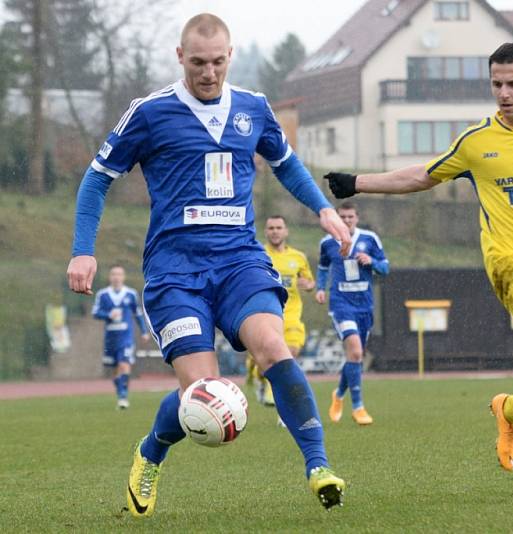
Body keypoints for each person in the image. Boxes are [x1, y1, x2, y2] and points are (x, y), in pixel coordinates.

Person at [66, 14, 350, 517]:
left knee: (272, 344)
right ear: (180, 57)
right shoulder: (150, 113)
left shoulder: (254, 109)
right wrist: (83, 249)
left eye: (218, 61)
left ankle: (318, 466)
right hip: (175, 271)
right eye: (198, 62)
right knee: (205, 393)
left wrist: (323, 209)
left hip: (239, 260)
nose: (209, 72)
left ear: (230, 56)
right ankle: (151, 451)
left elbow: (287, 165)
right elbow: (96, 179)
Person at [325, 43, 513, 478]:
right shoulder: (477, 141)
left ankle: (511, 409)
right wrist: (358, 182)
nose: (503, 92)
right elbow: (422, 175)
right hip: (511, 261)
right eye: (496, 83)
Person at [315, 201, 389, 426]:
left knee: (354, 357)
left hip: (364, 305)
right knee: (356, 351)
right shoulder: (327, 242)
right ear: (336, 218)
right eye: (342, 217)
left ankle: (338, 394)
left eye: (350, 217)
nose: (346, 221)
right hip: (341, 304)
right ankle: (358, 407)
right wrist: (320, 288)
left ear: (357, 218)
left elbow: (385, 269)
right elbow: (323, 267)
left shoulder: (370, 239)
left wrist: (372, 262)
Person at [246, 216, 315, 422]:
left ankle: (281, 409)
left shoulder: (299, 257)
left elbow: (309, 281)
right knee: (263, 359)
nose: (275, 231)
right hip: (265, 313)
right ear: (266, 232)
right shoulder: (257, 253)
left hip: (291, 315)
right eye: (271, 228)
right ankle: (260, 380)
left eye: (279, 227)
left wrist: (308, 285)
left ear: (286, 231)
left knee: (289, 354)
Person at [92, 264, 149, 409]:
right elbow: (95, 313)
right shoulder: (102, 295)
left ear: (123, 277)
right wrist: (108, 315)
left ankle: (123, 396)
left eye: (119, 274)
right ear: (109, 277)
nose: (116, 277)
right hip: (111, 338)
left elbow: (138, 314)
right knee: (115, 369)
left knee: (124, 363)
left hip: (126, 336)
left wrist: (143, 331)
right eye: (113, 274)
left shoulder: (130, 294)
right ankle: (120, 394)